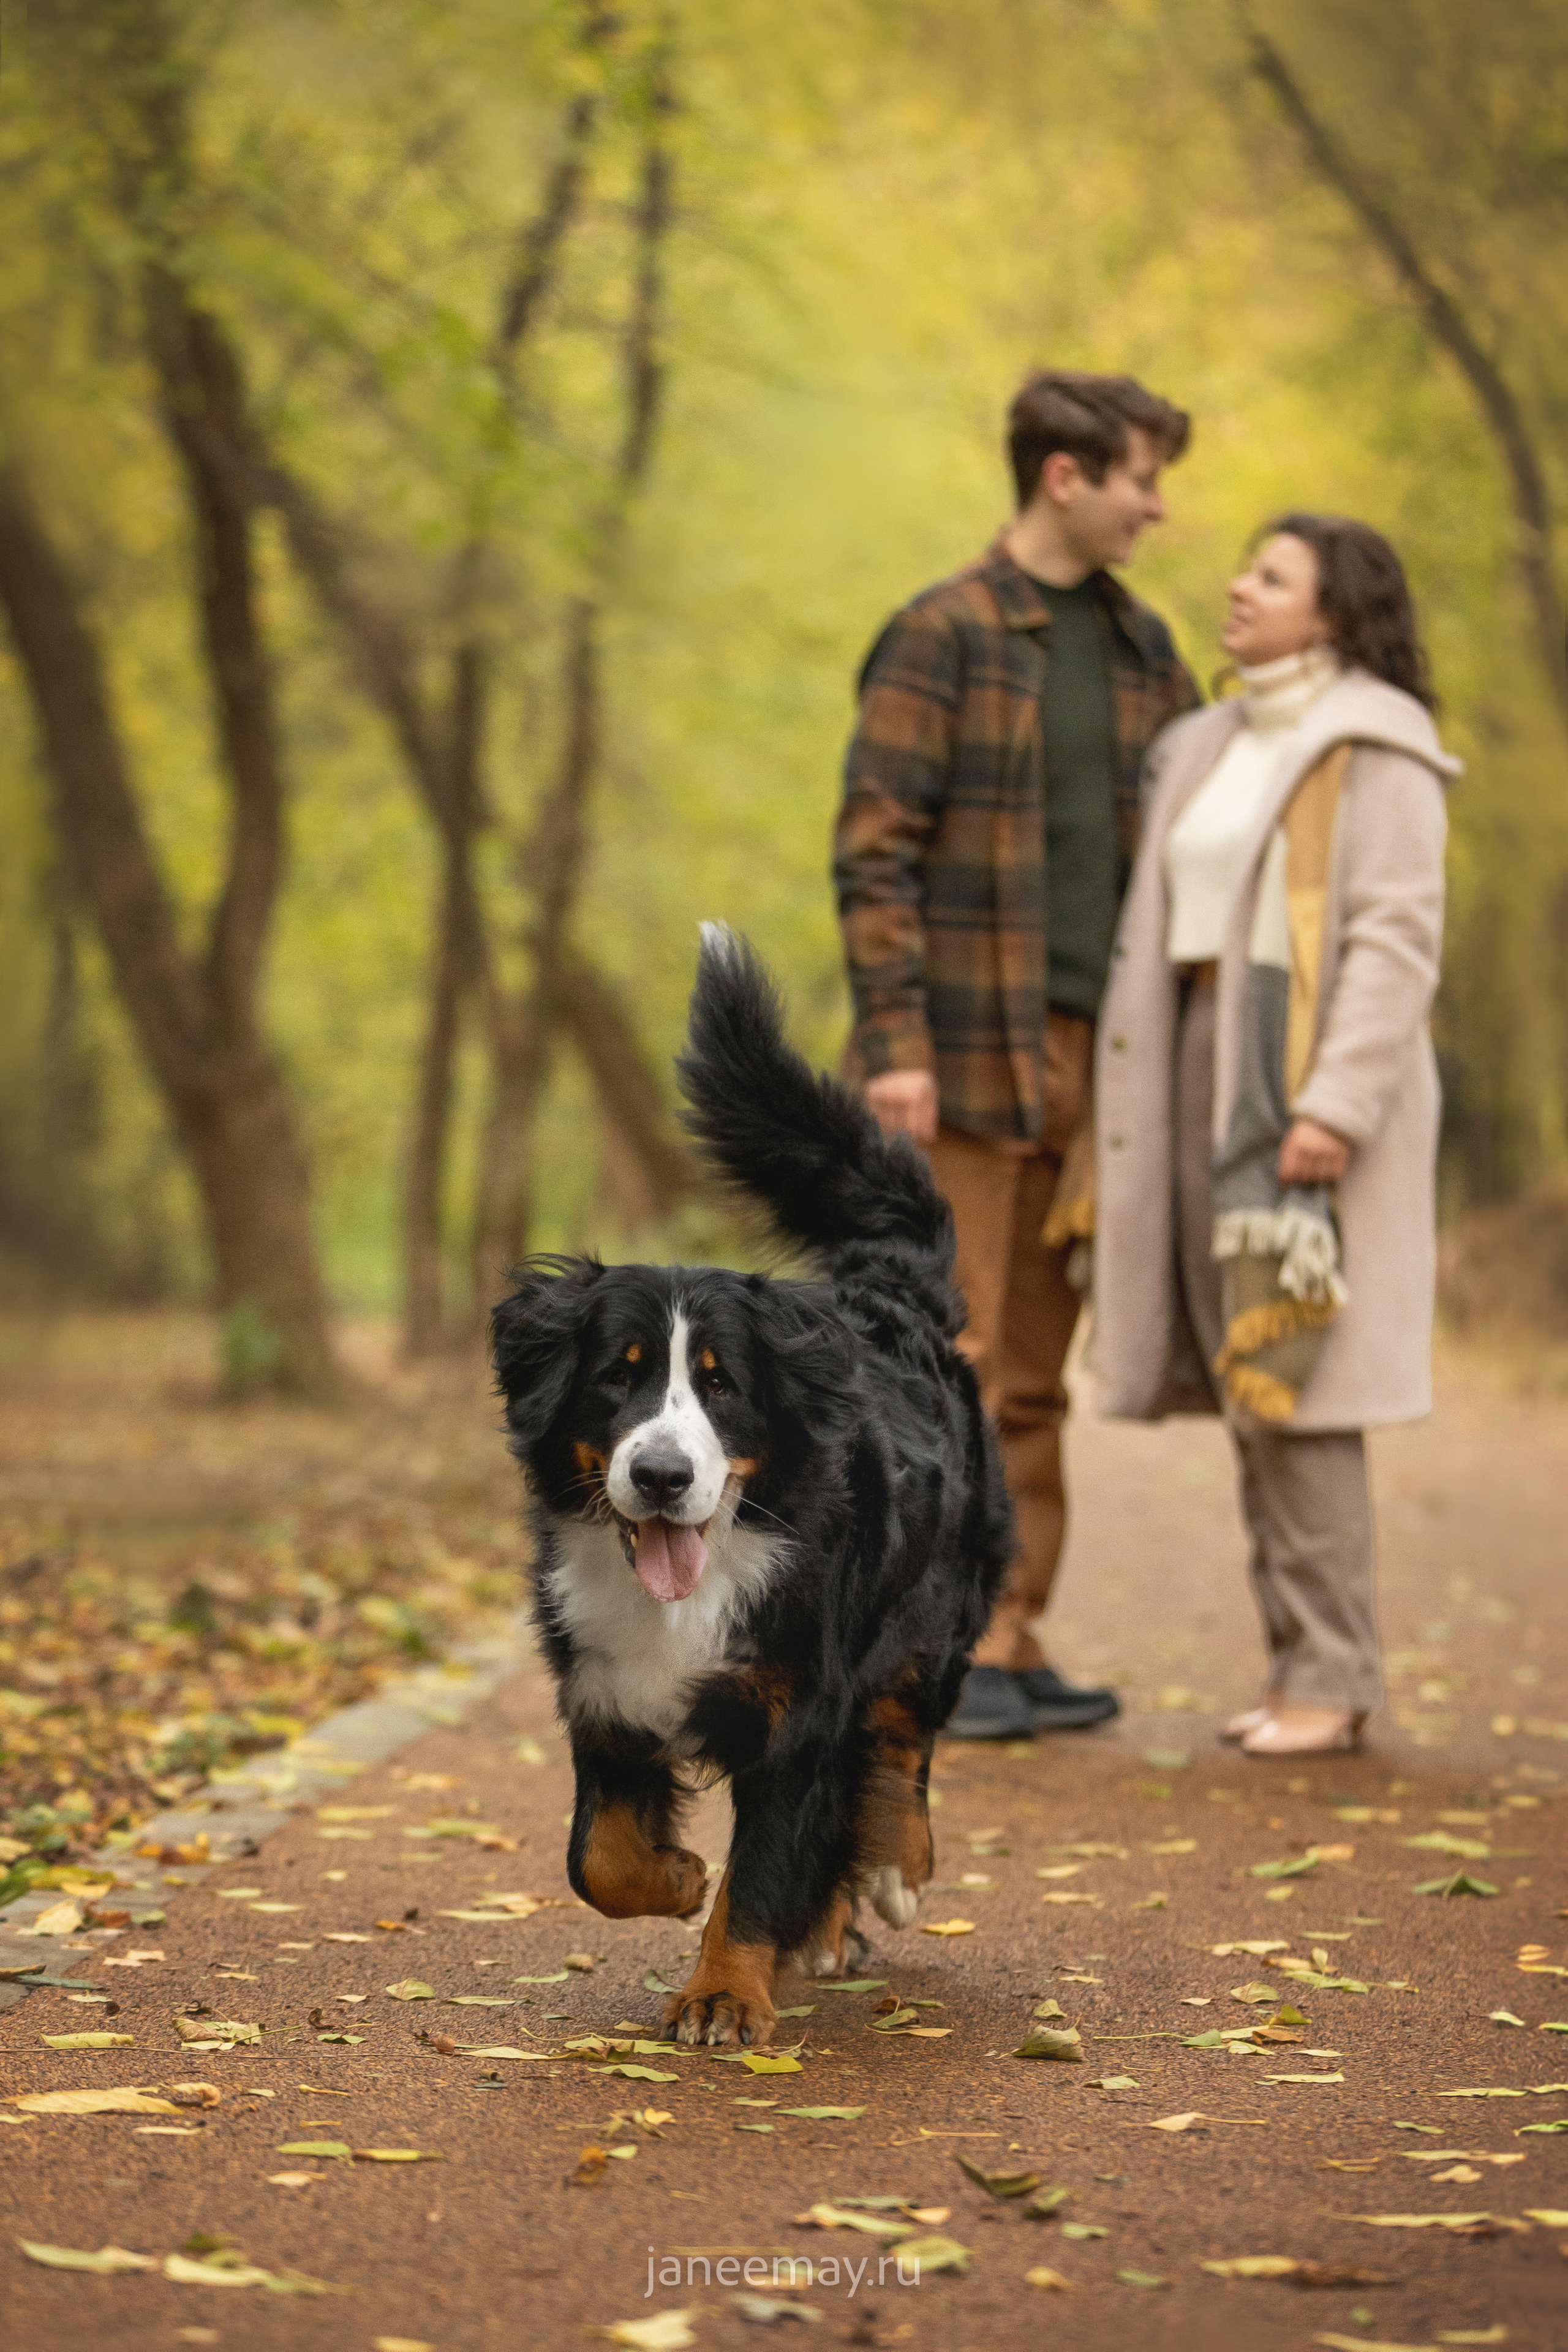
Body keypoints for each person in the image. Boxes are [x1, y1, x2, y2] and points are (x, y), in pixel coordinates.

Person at [834, 369, 1199, 1740]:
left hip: (1101, 1061)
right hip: (959, 1056)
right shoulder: (939, 633)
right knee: (950, 1355)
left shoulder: (1147, 649)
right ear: (1063, 475)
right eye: (1137, 479)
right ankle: (929, 1647)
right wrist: (892, 1046)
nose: (1153, 508)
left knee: (1039, 1370)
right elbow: (873, 852)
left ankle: (1009, 1630)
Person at [1093, 514, 1457, 1757]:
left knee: (1305, 1385)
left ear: (1337, 613)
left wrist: (1330, 1109)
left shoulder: (1376, 749)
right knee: (1253, 1385)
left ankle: (1334, 1675)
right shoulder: (1203, 742)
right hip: (1195, 1067)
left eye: (1271, 575)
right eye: (1243, 565)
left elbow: (1393, 942)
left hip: (1300, 1088)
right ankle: (1295, 1662)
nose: (1237, 586)